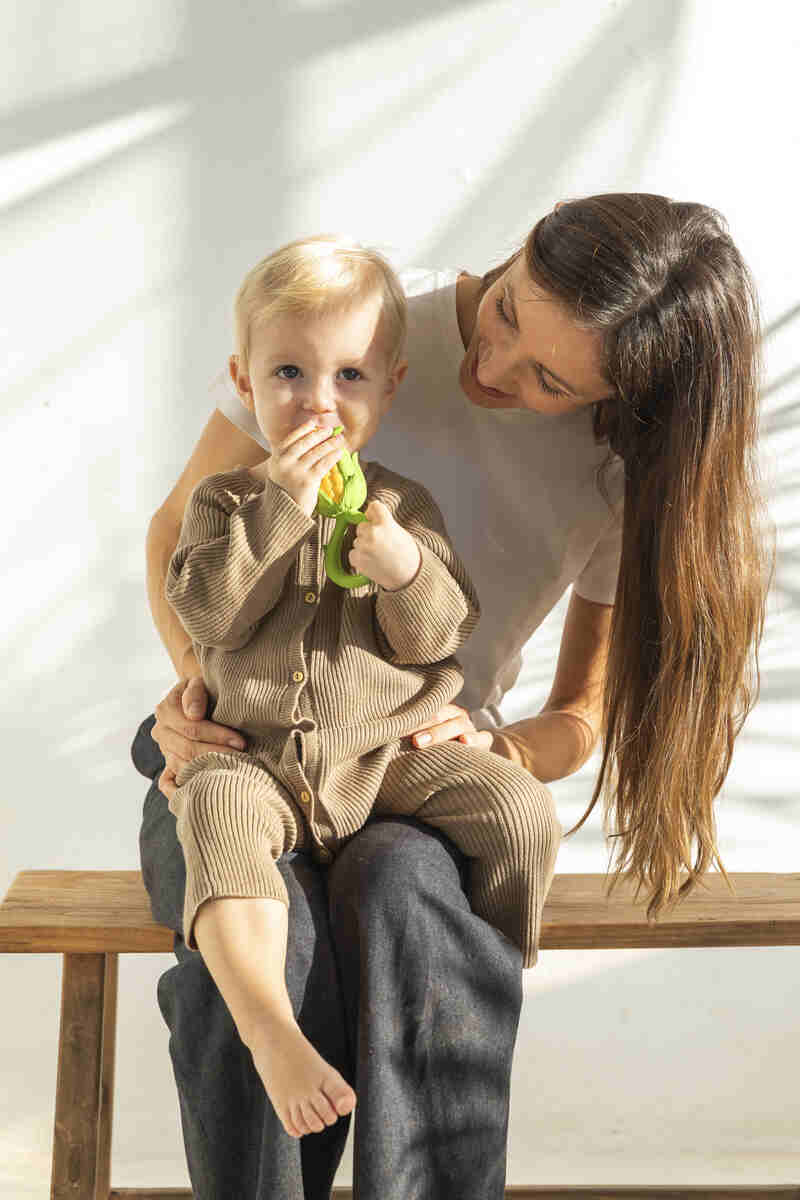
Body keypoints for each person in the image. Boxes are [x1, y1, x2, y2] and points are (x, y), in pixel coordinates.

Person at [132, 193, 774, 1199]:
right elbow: (181, 536)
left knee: (408, 897)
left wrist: (500, 752)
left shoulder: (617, 469)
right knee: (265, 940)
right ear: (525, 240)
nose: (489, 370)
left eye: (546, 380)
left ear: (620, 396)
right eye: (508, 312)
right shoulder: (355, 324)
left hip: (410, 767)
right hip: (241, 740)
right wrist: (190, 689)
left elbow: (580, 716)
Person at [161, 234, 561, 1142]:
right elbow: (209, 617)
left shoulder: (402, 506)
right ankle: (268, 1026)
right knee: (215, 821)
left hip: (385, 757)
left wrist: (402, 567)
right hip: (257, 757)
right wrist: (279, 513)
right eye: (290, 373)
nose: (317, 401)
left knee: (515, 809)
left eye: (348, 378)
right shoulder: (226, 501)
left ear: (387, 389)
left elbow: (437, 638)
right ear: (245, 379)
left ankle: (492, 972)